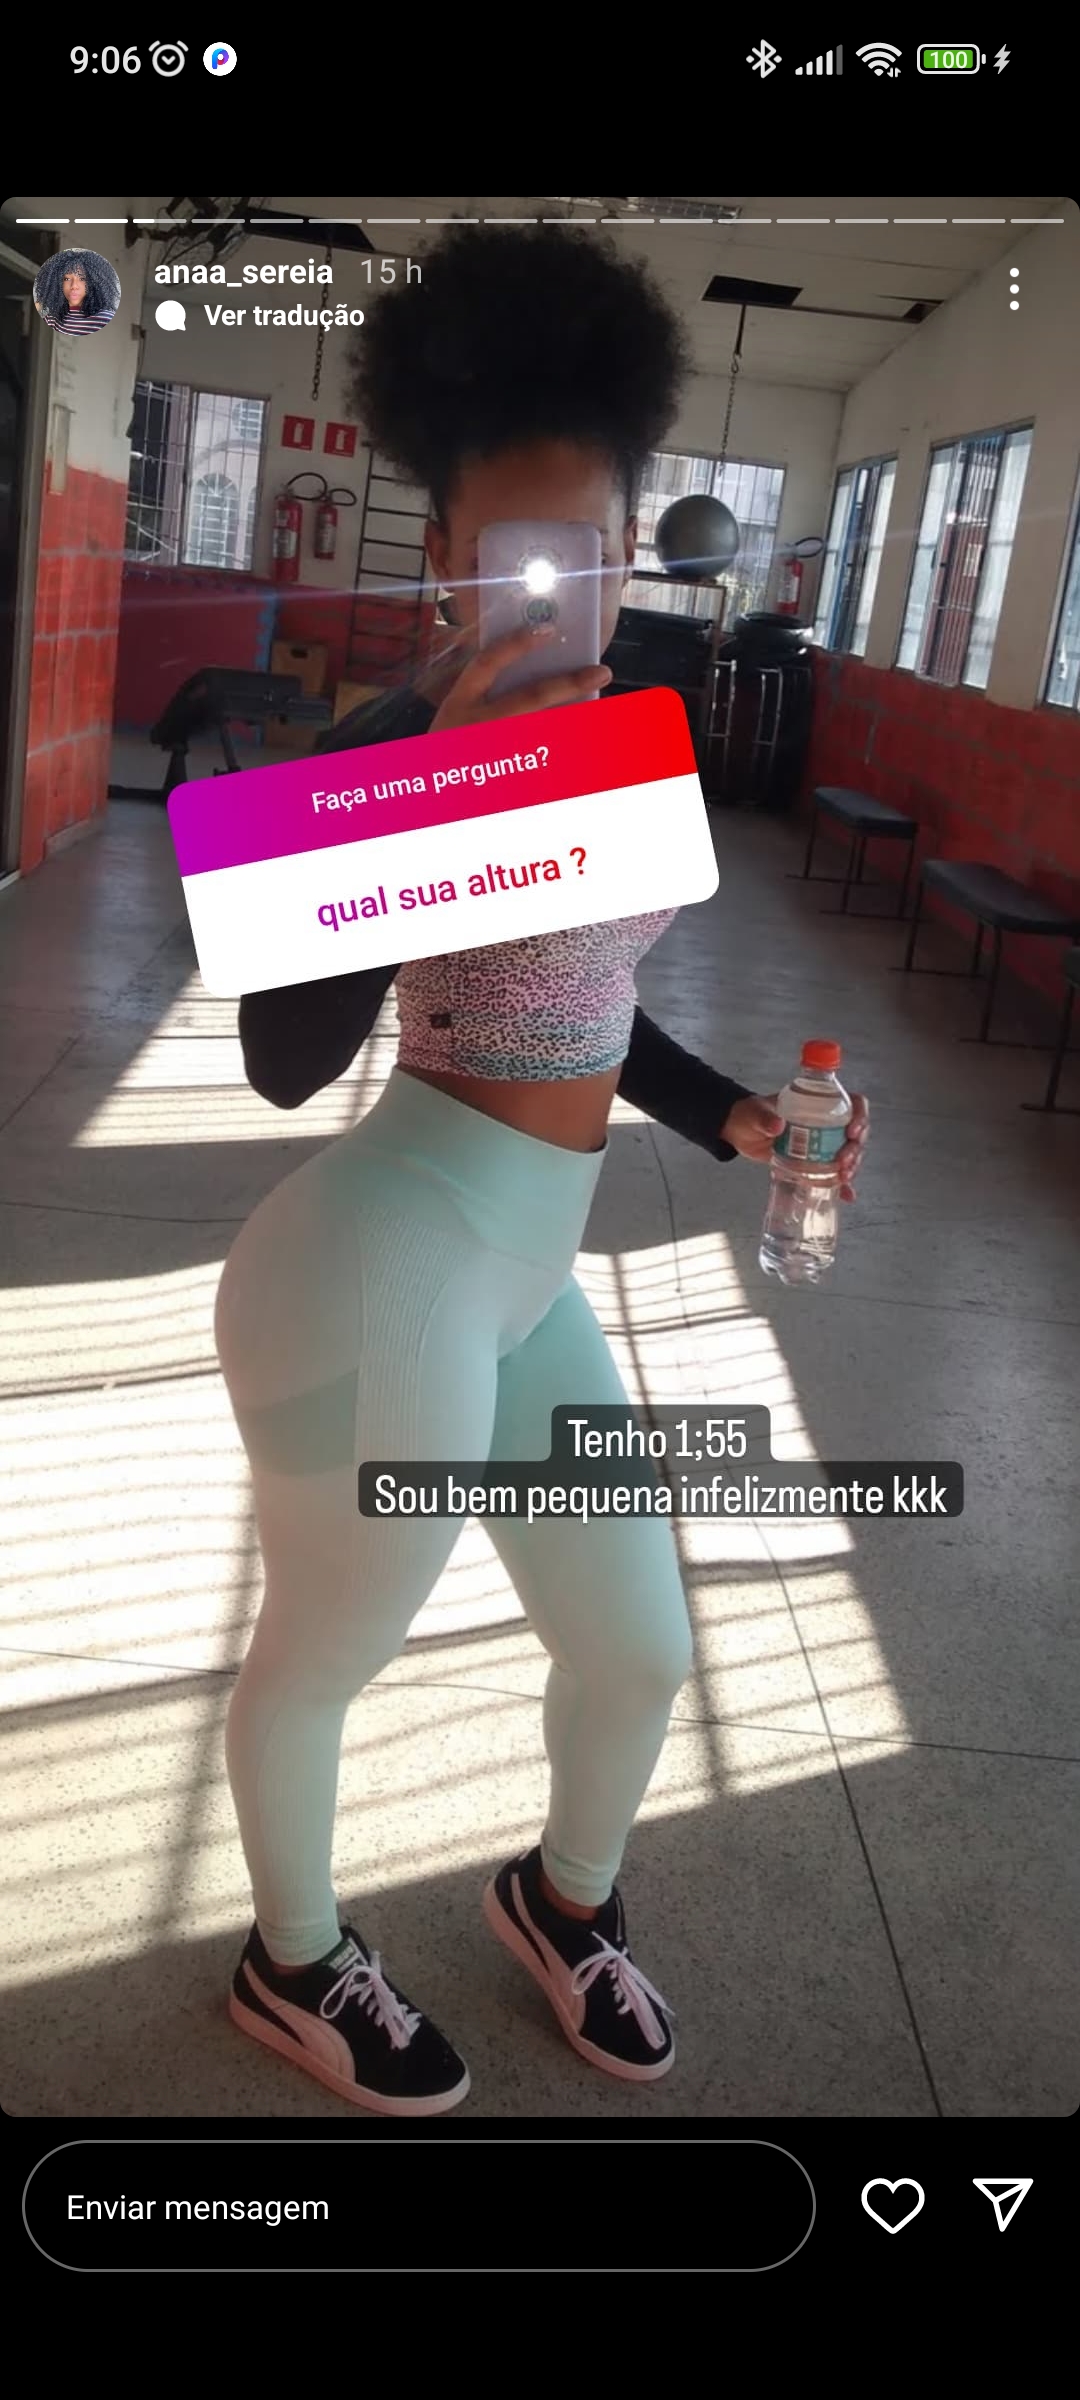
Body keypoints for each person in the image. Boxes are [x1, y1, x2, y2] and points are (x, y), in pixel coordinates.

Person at [219, 223, 869, 2116]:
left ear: (633, 538)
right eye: (506, 544)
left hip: (525, 1277)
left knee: (640, 1644)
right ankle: (291, 1960)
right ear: (443, 545)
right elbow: (279, 1061)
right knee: (332, 1645)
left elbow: (598, 1005)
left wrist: (741, 1117)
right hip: (381, 1256)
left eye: (583, 543)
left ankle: (558, 1901)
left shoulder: (643, 739)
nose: (545, 581)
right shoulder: (379, 738)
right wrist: (426, 782)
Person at [33, 248, 120, 335]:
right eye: (67, 279)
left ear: (94, 282)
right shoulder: (51, 319)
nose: (74, 286)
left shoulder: (105, 318)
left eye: (82, 279)